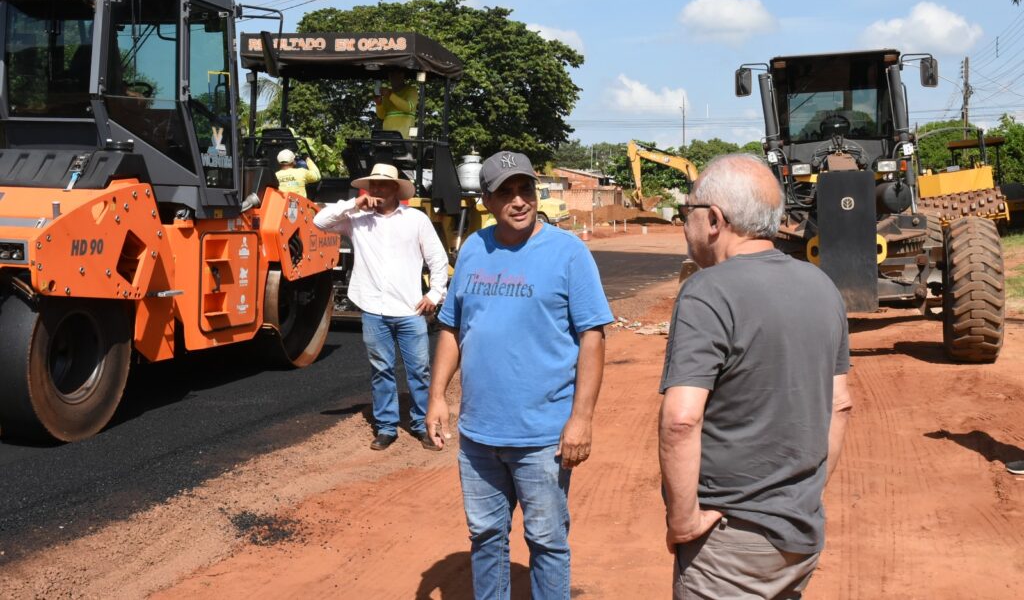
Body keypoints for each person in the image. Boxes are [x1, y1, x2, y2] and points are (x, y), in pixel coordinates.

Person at [658, 153, 853, 599]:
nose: (684, 225)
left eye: (688, 213)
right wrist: (803, 497)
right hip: (800, 534)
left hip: (730, 542)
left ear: (714, 219)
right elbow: (839, 406)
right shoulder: (822, 287)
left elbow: (681, 420)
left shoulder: (706, 293)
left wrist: (684, 519)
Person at [425, 150, 613, 600]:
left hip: (542, 437)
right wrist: (437, 396)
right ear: (487, 200)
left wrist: (581, 419)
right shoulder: (474, 249)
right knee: (486, 537)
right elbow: (452, 327)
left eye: (525, 188)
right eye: (505, 192)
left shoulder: (569, 253)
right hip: (479, 436)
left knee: (547, 541)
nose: (519, 200)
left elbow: (593, 337)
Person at [313, 163, 448, 451]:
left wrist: (435, 294)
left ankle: (423, 424)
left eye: (382, 184)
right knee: (381, 370)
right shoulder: (357, 219)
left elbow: (437, 259)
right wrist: (353, 203)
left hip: (410, 310)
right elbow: (319, 221)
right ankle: (387, 427)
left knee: (420, 371)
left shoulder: (416, 220)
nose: (375, 189)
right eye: (372, 185)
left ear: (396, 189)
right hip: (373, 309)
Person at [374, 70, 418, 138]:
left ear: (402, 75)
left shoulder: (411, 90)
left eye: (394, 74)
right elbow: (381, 116)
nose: (391, 77)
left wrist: (390, 95)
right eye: (390, 75)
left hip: (404, 139)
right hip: (387, 137)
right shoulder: (387, 94)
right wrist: (378, 104)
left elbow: (408, 107)